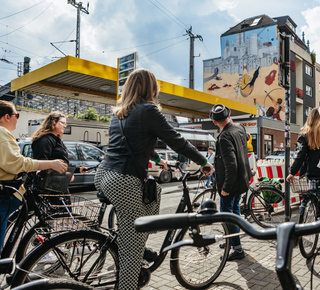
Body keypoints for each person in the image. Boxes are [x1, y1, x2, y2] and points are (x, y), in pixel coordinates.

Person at [94, 68, 213, 289]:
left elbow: (134, 142)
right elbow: (176, 141)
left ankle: (134, 239)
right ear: (151, 87)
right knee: (133, 247)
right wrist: (204, 162)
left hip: (104, 174)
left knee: (153, 191)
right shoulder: (149, 110)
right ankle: (132, 262)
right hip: (124, 179)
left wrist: (158, 159)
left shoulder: (119, 112)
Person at [0, 100, 67, 253]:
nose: (17, 118)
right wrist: (50, 164)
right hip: (4, 194)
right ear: (7, 117)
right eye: (17, 114)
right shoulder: (2, 133)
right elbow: (15, 163)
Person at [210, 104, 252, 261]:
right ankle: (232, 240)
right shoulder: (239, 128)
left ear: (214, 122)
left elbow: (231, 164)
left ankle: (236, 248)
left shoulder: (225, 136)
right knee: (235, 212)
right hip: (242, 180)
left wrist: (226, 187)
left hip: (231, 183)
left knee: (227, 215)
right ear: (229, 116)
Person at [31, 112, 87, 205]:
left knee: (64, 216)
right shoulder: (44, 140)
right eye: (62, 123)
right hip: (49, 188)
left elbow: (62, 162)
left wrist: (77, 169)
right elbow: (41, 164)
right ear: (52, 122)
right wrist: (65, 174)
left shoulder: (57, 140)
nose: (65, 126)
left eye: (65, 124)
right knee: (59, 217)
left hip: (58, 186)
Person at [287, 107, 320, 184]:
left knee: (310, 195)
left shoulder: (304, 135)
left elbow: (301, 155)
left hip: (310, 174)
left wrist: (292, 172)